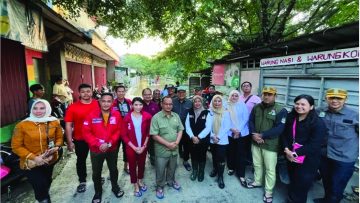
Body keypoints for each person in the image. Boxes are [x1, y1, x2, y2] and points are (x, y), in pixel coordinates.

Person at [12, 99, 63, 203]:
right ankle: (43, 199)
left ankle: (43, 195)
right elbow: (16, 146)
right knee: (39, 184)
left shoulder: (54, 121)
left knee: (47, 181)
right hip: (31, 162)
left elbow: (59, 138)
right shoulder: (22, 125)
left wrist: (57, 147)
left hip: (50, 159)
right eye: (35, 108)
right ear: (31, 109)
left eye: (42, 108)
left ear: (47, 108)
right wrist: (35, 158)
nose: (38, 111)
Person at [314, 88, 359, 203]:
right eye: (331, 97)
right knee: (327, 181)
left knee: (337, 186)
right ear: (326, 98)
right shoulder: (319, 111)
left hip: (344, 157)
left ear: (345, 99)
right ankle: (327, 199)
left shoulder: (355, 115)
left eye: (339, 98)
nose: (334, 101)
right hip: (325, 154)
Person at [246, 86, 287, 203]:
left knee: (270, 169)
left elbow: (280, 128)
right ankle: (257, 181)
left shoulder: (280, 110)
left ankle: (268, 191)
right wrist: (254, 134)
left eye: (270, 94)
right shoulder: (256, 107)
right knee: (257, 164)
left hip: (270, 145)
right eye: (265, 94)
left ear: (275, 96)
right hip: (255, 142)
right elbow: (251, 121)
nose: (267, 96)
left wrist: (262, 135)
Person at [282, 95, 326, 203]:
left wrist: (294, 154)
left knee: (301, 185)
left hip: (307, 160)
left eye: (303, 104)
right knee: (292, 180)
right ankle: (290, 199)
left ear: (311, 107)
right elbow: (284, 135)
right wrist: (286, 149)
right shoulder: (291, 117)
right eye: (297, 103)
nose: (299, 106)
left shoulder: (318, 123)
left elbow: (314, 145)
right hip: (290, 156)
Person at [83, 93, 124, 203]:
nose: (106, 103)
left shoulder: (116, 115)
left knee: (113, 169)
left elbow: (119, 131)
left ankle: (115, 187)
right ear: (100, 102)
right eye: (103, 101)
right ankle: (98, 192)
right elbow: (86, 132)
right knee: (96, 172)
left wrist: (109, 143)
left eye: (109, 101)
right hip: (96, 150)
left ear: (112, 102)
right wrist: (98, 144)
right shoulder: (91, 115)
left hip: (112, 149)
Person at [64, 83, 99, 193]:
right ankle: (82, 181)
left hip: (96, 138)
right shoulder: (73, 107)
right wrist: (70, 141)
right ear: (79, 93)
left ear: (92, 92)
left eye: (88, 91)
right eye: (83, 92)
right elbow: (68, 125)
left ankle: (97, 177)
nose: (86, 94)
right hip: (80, 139)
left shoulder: (98, 104)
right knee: (81, 160)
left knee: (97, 160)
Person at [150, 96, 184, 199]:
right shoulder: (156, 117)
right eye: (166, 104)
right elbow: (154, 135)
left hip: (174, 149)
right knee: (160, 169)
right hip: (162, 150)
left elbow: (180, 130)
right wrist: (168, 144)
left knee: (172, 167)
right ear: (162, 104)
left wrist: (176, 142)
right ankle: (160, 186)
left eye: (170, 104)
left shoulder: (176, 116)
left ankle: (171, 181)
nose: (168, 106)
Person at [123, 97, 152, 197]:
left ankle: (140, 180)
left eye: (140, 105)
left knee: (141, 164)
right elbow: (124, 135)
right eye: (136, 105)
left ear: (143, 105)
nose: (138, 107)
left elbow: (149, 132)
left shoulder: (147, 116)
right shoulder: (127, 117)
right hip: (131, 147)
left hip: (143, 146)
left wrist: (144, 146)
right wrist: (134, 147)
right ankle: (135, 184)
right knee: (132, 166)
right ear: (132, 105)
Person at [185, 95, 212, 182]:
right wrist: (192, 137)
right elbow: (187, 126)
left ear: (202, 102)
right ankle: (195, 171)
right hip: (192, 138)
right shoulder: (190, 112)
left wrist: (199, 137)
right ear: (193, 103)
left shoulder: (207, 113)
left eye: (199, 101)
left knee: (202, 155)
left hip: (203, 139)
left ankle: (201, 172)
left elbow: (208, 128)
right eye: (195, 101)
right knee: (193, 155)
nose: (197, 103)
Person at [225, 90, 249, 184]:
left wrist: (238, 130)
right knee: (230, 152)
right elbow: (225, 119)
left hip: (241, 133)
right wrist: (232, 129)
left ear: (238, 97)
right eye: (232, 95)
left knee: (241, 154)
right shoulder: (226, 105)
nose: (234, 97)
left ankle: (241, 174)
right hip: (229, 132)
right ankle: (231, 168)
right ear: (229, 96)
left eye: (236, 96)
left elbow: (245, 118)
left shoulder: (242, 105)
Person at [208, 95, 232, 189]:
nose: (217, 103)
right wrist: (212, 135)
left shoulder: (225, 112)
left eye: (219, 101)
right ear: (212, 102)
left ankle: (220, 177)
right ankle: (215, 169)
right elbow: (207, 126)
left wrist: (217, 137)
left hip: (222, 140)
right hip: (212, 138)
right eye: (215, 101)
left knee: (221, 158)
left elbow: (227, 126)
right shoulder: (210, 112)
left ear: (222, 102)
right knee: (214, 155)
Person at [239, 81, 262, 165]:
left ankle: (249, 161)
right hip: (240, 125)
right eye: (244, 86)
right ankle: (242, 160)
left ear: (251, 88)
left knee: (250, 144)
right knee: (242, 144)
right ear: (242, 88)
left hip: (251, 125)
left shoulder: (256, 99)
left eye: (248, 86)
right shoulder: (239, 98)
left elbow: (260, 111)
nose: (246, 87)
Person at [112, 85, 132, 174]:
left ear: (125, 92)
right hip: (115, 130)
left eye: (122, 91)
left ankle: (126, 166)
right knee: (114, 150)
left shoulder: (129, 102)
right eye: (119, 91)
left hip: (126, 130)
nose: (121, 93)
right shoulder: (112, 103)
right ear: (116, 93)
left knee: (126, 149)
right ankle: (113, 169)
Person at [172, 87, 193, 171]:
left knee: (187, 145)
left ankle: (185, 161)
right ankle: (173, 162)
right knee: (174, 145)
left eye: (183, 92)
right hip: (174, 128)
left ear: (186, 93)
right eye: (179, 92)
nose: (181, 94)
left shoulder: (190, 103)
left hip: (186, 129)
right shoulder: (172, 101)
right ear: (177, 93)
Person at [142, 88, 160, 166]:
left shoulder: (155, 105)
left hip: (153, 130)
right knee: (143, 146)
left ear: (151, 95)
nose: (147, 96)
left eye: (149, 94)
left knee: (152, 146)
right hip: (142, 131)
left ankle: (152, 159)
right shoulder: (139, 104)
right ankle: (141, 162)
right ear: (142, 95)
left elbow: (159, 118)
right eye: (145, 94)